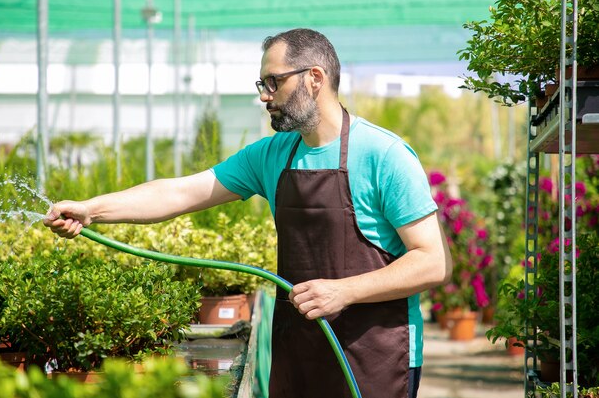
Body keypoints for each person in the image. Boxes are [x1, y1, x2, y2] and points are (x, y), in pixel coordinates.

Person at [44, 28, 452, 398]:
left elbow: (432, 263)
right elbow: (181, 192)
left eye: (274, 82)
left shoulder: (385, 156)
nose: (264, 95)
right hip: (300, 352)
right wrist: (92, 210)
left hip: (375, 356)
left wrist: (343, 291)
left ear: (315, 78)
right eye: (262, 83)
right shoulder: (272, 155)